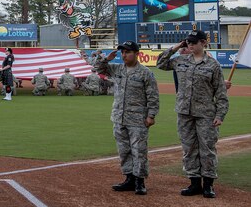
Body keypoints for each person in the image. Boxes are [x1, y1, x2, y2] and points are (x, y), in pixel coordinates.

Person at [157, 30, 229, 198]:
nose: (190, 44)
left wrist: (220, 114)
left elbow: (221, 92)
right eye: (188, 42)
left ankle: (208, 184)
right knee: (189, 148)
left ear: (203, 43)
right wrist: (177, 47)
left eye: (194, 42)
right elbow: (160, 63)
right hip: (184, 113)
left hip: (206, 114)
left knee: (207, 149)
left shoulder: (213, 65)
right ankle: (194, 182)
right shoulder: (180, 60)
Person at [95, 41, 159, 195]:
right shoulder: (117, 69)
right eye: (122, 52)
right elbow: (98, 68)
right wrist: (106, 59)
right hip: (119, 117)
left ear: (137, 54)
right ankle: (129, 178)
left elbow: (153, 95)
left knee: (139, 151)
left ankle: (139, 181)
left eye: (127, 52)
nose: (124, 55)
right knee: (124, 150)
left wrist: (151, 115)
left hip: (138, 119)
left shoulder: (145, 73)